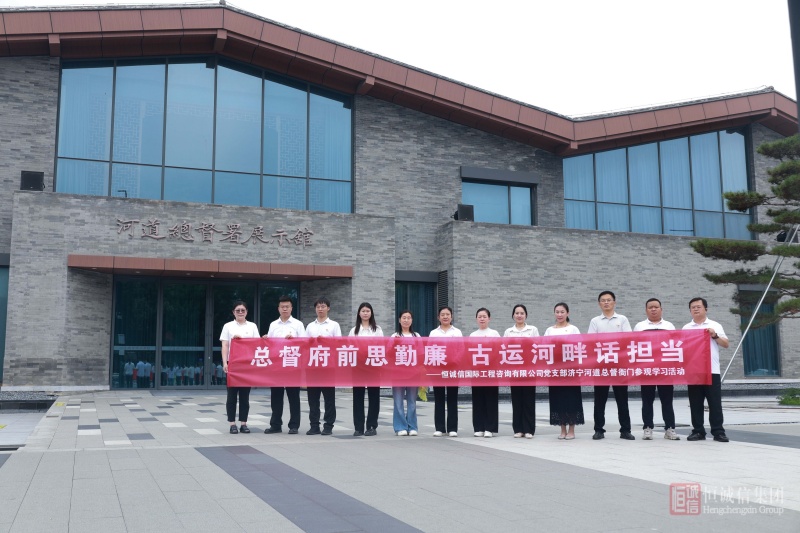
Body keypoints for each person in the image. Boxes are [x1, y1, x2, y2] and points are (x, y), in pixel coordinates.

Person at [588, 290, 634, 440]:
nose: (606, 302)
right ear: (599, 304)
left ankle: (625, 430)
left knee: (622, 399)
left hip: (619, 365)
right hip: (601, 366)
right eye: (603, 300)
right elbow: (591, 342)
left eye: (609, 300)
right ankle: (599, 429)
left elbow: (628, 339)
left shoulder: (622, 319)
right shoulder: (595, 321)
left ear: (614, 302)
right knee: (599, 400)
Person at [683, 297, 730, 442]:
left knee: (714, 403)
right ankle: (698, 431)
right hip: (694, 371)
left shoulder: (714, 325)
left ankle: (718, 432)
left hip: (712, 370)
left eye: (698, 306)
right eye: (693, 307)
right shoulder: (686, 328)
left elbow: (726, 344)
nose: (696, 309)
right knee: (695, 403)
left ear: (706, 309)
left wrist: (714, 335)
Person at [633, 298, 679, 441]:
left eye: (656, 307)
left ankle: (670, 428)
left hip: (665, 369)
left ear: (661, 309)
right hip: (647, 369)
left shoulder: (669, 326)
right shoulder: (639, 326)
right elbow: (634, 346)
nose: (653, 309)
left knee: (667, 401)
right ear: (646, 310)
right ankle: (647, 428)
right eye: (650, 307)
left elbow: (675, 345)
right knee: (647, 400)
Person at [265, 295, 307, 435]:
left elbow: (304, 343)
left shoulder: (298, 324)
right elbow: (269, 344)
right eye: (282, 307)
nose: (285, 309)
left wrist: (294, 340)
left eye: (287, 306)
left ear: (291, 308)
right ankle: (275, 424)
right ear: (278, 308)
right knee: (276, 396)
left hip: (292, 364)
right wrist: (265, 339)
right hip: (276, 365)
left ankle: (294, 425)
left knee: (293, 396)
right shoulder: (273, 325)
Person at [544, 302, 584, 440]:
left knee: (571, 399)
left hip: (571, 369)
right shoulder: (549, 330)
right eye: (557, 312)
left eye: (562, 312)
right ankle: (562, 429)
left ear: (568, 313)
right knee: (558, 399)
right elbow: (545, 348)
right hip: (555, 369)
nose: (559, 314)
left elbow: (580, 347)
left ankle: (571, 429)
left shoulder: (573, 329)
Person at [220, 300, 260, 434]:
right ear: (233, 312)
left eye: (243, 310)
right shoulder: (228, 326)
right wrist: (225, 363)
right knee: (231, 396)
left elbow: (257, 344)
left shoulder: (252, 326)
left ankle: (244, 423)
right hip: (233, 364)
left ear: (247, 312)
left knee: (245, 396)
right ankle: (232, 424)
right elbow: (225, 345)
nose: (240, 312)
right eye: (238, 310)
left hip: (247, 365)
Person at [305, 297, 341, 436]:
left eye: (323, 306)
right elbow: (304, 345)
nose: (320, 309)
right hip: (312, 366)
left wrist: (326, 341)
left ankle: (328, 425)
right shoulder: (310, 326)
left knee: (329, 398)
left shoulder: (334, 325)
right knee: (313, 398)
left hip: (328, 366)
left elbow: (339, 343)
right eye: (318, 307)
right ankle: (314, 425)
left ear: (328, 308)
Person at [348, 302, 384, 436]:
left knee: (374, 396)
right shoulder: (354, 330)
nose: (365, 313)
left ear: (371, 313)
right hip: (358, 367)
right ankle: (358, 427)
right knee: (358, 396)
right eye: (363, 311)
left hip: (373, 366)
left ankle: (372, 426)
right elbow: (350, 347)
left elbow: (381, 346)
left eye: (367, 311)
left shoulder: (377, 330)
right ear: (359, 313)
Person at [503, 304, 538, 439]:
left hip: (529, 370)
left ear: (526, 315)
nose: (519, 315)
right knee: (516, 400)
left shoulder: (532, 330)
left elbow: (538, 347)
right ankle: (518, 429)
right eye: (517, 313)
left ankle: (529, 429)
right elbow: (504, 349)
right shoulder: (508, 332)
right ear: (513, 315)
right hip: (515, 370)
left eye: (522, 313)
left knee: (529, 400)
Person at [430, 306, 462, 437]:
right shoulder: (433, 333)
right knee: (439, 398)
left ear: (451, 316)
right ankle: (440, 428)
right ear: (438, 317)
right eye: (442, 314)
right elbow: (430, 351)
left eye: (447, 314)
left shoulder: (457, 332)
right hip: (438, 369)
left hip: (453, 369)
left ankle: (453, 428)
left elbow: (461, 350)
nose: (445, 317)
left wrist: (455, 361)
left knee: (452, 398)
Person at [470, 308, 500, 438]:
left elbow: (498, 351)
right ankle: (479, 427)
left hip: (491, 371)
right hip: (477, 372)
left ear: (489, 318)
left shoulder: (494, 333)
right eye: (479, 316)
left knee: (491, 399)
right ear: (476, 319)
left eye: (484, 316)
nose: (482, 319)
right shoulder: (472, 335)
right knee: (478, 399)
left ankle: (490, 428)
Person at [392, 310, 420, 436]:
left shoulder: (416, 336)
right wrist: (394, 344)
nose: (406, 320)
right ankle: (400, 427)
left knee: (412, 401)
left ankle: (412, 426)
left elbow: (421, 353)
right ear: (399, 320)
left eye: (409, 318)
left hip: (413, 373)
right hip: (397, 374)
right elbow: (388, 354)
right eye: (404, 317)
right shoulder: (394, 336)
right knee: (398, 401)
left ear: (412, 320)